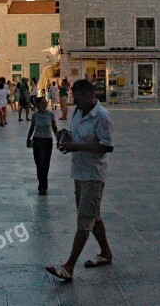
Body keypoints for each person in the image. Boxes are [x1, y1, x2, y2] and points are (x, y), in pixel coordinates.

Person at [47, 79, 114, 282]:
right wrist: (65, 136)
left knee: (84, 220)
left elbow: (107, 146)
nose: (74, 101)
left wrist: (78, 147)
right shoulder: (78, 112)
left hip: (94, 175)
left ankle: (69, 266)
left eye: (76, 97)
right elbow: (75, 134)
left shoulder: (102, 117)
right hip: (79, 172)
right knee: (93, 216)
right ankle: (106, 253)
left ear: (87, 95)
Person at [27, 97, 58, 195]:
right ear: (38, 105)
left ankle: (43, 185)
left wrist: (58, 139)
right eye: (42, 103)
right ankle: (41, 181)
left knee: (45, 163)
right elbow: (32, 128)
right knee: (38, 163)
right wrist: (28, 139)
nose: (45, 104)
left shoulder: (51, 114)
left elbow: (54, 128)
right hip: (37, 140)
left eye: (46, 102)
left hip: (48, 140)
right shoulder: (35, 115)